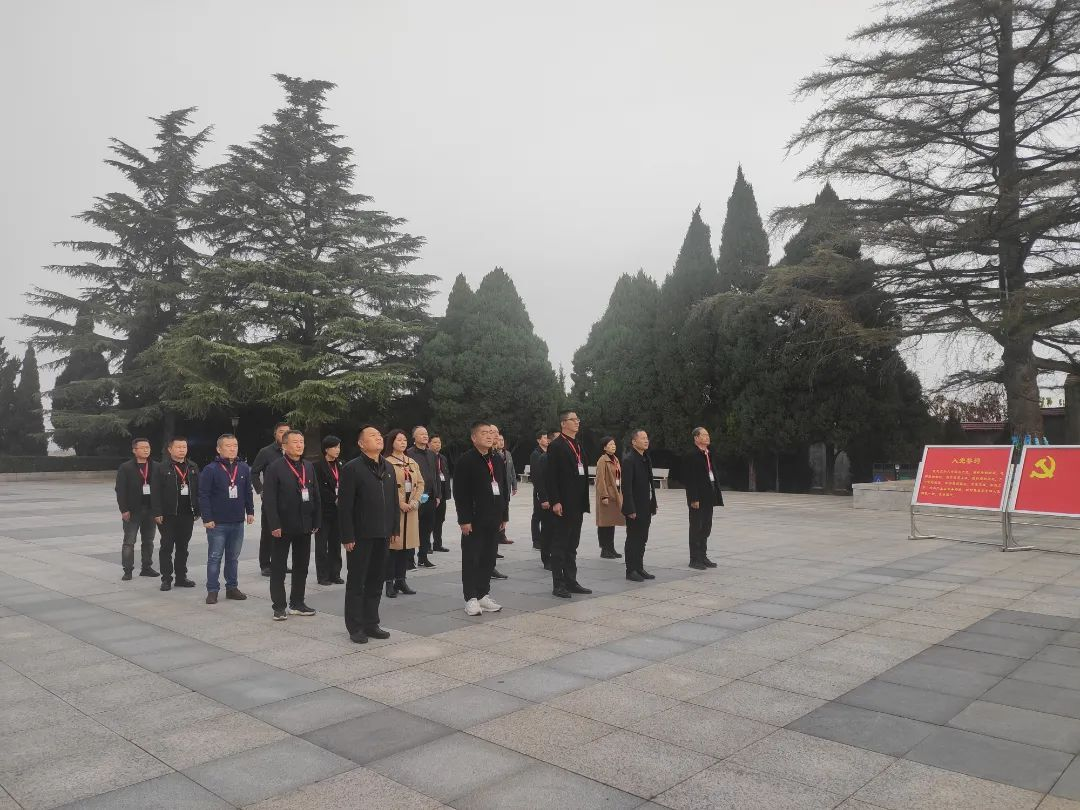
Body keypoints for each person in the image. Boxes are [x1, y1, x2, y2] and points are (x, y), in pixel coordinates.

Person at [338, 425, 398, 644]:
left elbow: (393, 500)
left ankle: (372, 623)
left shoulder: (388, 467)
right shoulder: (352, 468)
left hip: (383, 533)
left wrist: (394, 528)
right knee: (357, 581)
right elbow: (345, 506)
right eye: (373, 436)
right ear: (361, 444)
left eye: (380, 435)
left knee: (376, 580)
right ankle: (355, 627)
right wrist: (347, 536)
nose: (379, 438)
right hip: (360, 535)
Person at [263, 430, 321, 620]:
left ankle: (297, 603)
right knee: (279, 567)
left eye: (301, 442)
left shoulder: (308, 466)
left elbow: (315, 494)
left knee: (301, 566)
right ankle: (279, 606)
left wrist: (316, 520)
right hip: (283, 525)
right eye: (295, 442)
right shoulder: (275, 467)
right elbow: (269, 499)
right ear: (284, 445)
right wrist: (274, 524)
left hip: (305, 524)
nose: (299, 445)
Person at [453, 420, 508, 616]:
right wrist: (464, 519)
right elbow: (460, 493)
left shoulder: (497, 459)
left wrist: (504, 515)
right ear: (474, 437)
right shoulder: (466, 460)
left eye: (491, 433)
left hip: (494, 518)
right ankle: (471, 598)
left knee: (488, 558)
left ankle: (483, 594)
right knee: (472, 558)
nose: (489, 436)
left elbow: (503, 489)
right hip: (474, 519)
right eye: (484, 433)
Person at [198, 434, 255, 604]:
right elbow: (204, 495)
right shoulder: (211, 469)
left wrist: (250, 511)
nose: (232, 449)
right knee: (215, 557)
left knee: (233, 557)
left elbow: (248, 491)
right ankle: (212, 590)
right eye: (228, 446)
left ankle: (232, 587)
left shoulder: (243, 468)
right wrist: (207, 518)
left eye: (235, 445)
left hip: (237, 521)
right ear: (219, 449)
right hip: (217, 523)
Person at [545, 411, 593, 598]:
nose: (577, 422)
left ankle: (571, 581)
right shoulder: (556, 445)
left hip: (577, 504)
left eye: (578, 419)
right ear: (563, 423)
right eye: (573, 420)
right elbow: (551, 476)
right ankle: (558, 584)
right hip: (563, 504)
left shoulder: (577, 444)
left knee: (572, 545)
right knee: (560, 545)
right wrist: (555, 501)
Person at [151, 436, 199, 591]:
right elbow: (155, 492)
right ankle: (166, 578)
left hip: (187, 514)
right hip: (168, 515)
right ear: (170, 449)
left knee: (183, 547)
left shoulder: (192, 466)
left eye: (184, 447)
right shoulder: (161, 468)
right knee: (166, 547)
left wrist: (197, 510)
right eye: (178, 447)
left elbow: (198, 490)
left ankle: (181, 577)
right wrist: (157, 512)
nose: (182, 450)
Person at [383, 429, 423, 598]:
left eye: (405, 440)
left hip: (411, 511)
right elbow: (386, 486)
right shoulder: (387, 462)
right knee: (393, 548)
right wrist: (400, 503)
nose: (403, 442)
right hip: (395, 510)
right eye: (399, 440)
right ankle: (389, 582)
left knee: (406, 548)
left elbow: (420, 483)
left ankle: (401, 580)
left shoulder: (412, 462)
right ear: (391, 442)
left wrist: (415, 501)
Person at [115, 438, 159, 581]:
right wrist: (124, 509)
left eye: (148, 447)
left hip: (151, 510)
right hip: (133, 511)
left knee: (148, 541)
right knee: (129, 542)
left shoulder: (156, 466)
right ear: (134, 450)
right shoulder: (126, 467)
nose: (146, 450)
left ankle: (146, 567)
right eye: (143, 447)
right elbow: (120, 490)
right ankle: (128, 570)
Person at [252, 422, 290, 577]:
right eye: (281, 431)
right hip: (271, 500)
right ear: (275, 434)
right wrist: (261, 490)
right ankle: (265, 564)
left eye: (287, 432)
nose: (284, 434)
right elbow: (254, 473)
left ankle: (280, 563)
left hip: (288, 501)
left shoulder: (292, 451)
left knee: (285, 533)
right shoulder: (266, 452)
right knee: (268, 533)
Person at [684, 426, 723, 570]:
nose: (707, 437)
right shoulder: (691, 455)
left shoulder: (708, 453)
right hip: (698, 498)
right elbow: (690, 479)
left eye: (708, 434)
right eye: (704, 435)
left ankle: (703, 556)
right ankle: (694, 559)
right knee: (696, 527)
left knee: (706, 527)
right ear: (696, 438)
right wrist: (693, 498)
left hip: (709, 496)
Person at [622, 429, 658, 581]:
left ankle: (639, 567)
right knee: (633, 538)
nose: (646, 440)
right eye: (642, 438)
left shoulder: (645, 458)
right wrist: (630, 508)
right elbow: (626, 487)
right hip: (634, 507)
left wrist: (653, 502)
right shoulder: (629, 460)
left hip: (646, 505)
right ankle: (631, 570)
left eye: (647, 437)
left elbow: (650, 484)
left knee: (643, 538)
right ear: (633, 442)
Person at [406, 426, 439, 569]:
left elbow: (436, 475)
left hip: (430, 498)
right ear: (414, 437)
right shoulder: (408, 453)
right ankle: (409, 560)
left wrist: (437, 495)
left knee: (427, 529)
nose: (425, 436)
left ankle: (423, 557)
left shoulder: (431, 454)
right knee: (412, 529)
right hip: (415, 498)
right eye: (421, 434)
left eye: (426, 434)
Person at [314, 435, 345, 586]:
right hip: (324, 510)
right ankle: (323, 576)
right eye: (334, 447)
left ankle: (335, 573)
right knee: (322, 545)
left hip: (338, 511)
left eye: (339, 447)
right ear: (326, 449)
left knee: (336, 543)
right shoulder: (317, 466)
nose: (337, 450)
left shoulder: (341, 464)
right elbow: (318, 488)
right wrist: (334, 498)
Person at [594, 436, 625, 560]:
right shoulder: (602, 460)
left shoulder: (615, 459)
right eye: (610, 444)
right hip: (606, 496)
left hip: (615, 495)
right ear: (604, 447)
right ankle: (604, 549)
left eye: (614, 444)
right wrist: (604, 496)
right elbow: (600, 479)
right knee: (604, 523)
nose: (613, 446)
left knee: (612, 522)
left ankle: (611, 548)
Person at [493, 430, 517, 545]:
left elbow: (512, 470)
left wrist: (514, 485)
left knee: (505, 511)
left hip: (506, 488)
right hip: (497, 488)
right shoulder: (494, 455)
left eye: (502, 440)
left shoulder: (507, 454)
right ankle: (495, 535)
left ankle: (502, 535)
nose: (501, 442)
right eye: (499, 440)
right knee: (497, 511)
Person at [429, 434, 451, 553]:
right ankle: (426, 546)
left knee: (440, 520)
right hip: (431, 494)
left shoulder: (442, 458)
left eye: (439, 442)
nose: (438, 444)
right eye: (435, 442)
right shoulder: (427, 457)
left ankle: (438, 544)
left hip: (442, 493)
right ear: (429, 444)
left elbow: (446, 475)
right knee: (429, 520)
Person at [529, 431, 550, 552]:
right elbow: (536, 474)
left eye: (548, 438)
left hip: (548, 489)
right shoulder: (536, 454)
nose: (547, 440)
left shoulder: (549, 452)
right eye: (545, 438)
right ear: (538, 440)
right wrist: (540, 493)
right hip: (539, 490)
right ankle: (536, 541)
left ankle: (544, 539)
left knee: (546, 516)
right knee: (537, 515)